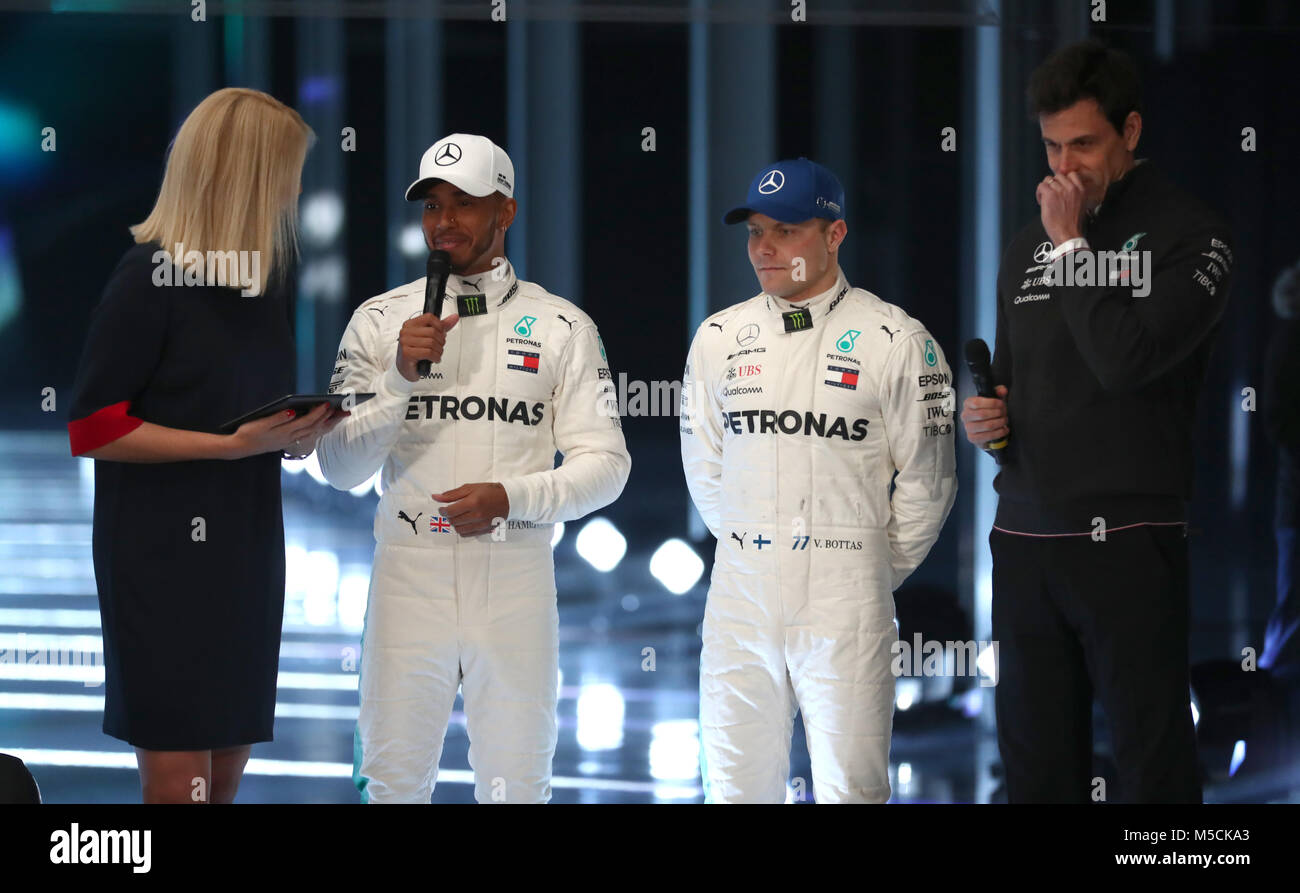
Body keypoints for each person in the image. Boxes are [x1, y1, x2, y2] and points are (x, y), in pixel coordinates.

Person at [318, 133, 630, 803]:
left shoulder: (563, 326)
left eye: (464, 203)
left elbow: (608, 466)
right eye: (432, 205)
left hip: (514, 576)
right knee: (392, 785)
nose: (444, 222)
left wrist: (511, 497)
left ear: (506, 212)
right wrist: (399, 378)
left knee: (518, 789)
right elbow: (338, 467)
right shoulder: (379, 321)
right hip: (408, 576)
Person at [960, 40, 1234, 803]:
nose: (1065, 165)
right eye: (1052, 145)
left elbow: (1125, 360)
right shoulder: (1025, 248)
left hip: (1130, 538)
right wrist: (990, 423)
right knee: (1035, 771)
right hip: (1022, 538)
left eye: (1085, 143)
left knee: (1153, 763)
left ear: (1132, 131)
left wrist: (1074, 245)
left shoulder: (1193, 235)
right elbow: (1017, 388)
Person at [66, 88, 343, 803]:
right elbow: (94, 427)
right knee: (180, 779)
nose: (294, 189)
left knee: (219, 781)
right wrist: (228, 446)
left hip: (247, 544)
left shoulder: (262, 284)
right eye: (286, 170)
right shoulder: (148, 278)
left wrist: (291, 435)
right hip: (160, 554)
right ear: (244, 172)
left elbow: (243, 413)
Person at [680, 157, 957, 803]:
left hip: (847, 598)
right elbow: (705, 464)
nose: (763, 248)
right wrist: (756, 544)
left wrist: (862, 567)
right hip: (740, 593)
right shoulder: (719, 337)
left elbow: (929, 481)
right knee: (732, 787)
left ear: (835, 234)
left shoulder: (898, 340)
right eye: (754, 231)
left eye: (785, 230)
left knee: (852, 790)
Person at [1261, 260, 1300, 679]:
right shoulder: (1289, 344)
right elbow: (1278, 423)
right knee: (1292, 610)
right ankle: (1272, 699)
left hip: (1293, 503)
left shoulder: (1286, 342)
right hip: (1296, 503)